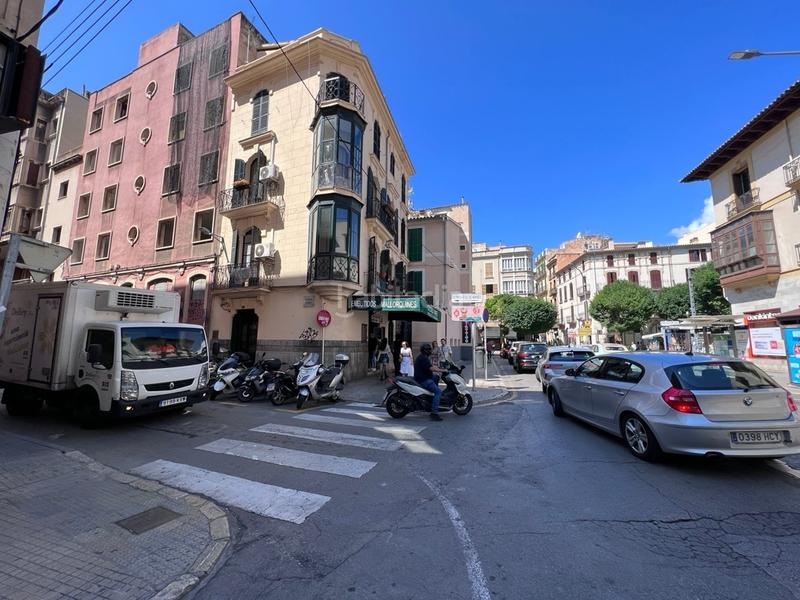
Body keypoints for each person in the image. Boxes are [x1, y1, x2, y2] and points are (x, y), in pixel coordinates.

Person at [414, 343, 444, 421]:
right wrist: (443, 370)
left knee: (436, 377)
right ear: (426, 350)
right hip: (424, 380)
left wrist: (438, 367)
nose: (430, 351)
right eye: (429, 349)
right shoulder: (424, 358)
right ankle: (434, 413)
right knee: (438, 392)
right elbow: (432, 369)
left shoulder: (423, 357)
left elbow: (430, 367)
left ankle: (432, 397)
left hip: (424, 377)